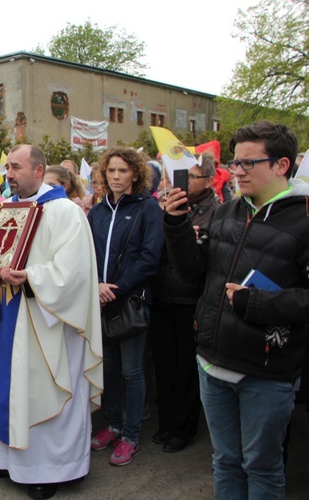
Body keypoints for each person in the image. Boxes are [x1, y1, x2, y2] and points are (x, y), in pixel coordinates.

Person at [164, 121, 309, 499]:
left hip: (266, 370)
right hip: (213, 361)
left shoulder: (305, 218)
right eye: (236, 162)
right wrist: (176, 226)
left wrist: (257, 302)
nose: (237, 171)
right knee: (225, 460)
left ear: (281, 165)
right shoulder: (227, 211)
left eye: (248, 163)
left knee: (261, 466)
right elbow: (196, 275)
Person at [0, 144, 103, 500]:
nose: (9, 174)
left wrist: (29, 277)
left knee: (43, 387)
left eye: (15, 167)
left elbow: (72, 274)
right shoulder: (8, 209)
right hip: (11, 314)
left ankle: (51, 468)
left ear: (39, 170)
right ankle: (6, 459)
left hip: (48, 320)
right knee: (9, 386)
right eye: (8, 168)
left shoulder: (65, 213)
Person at [87, 147, 163, 466]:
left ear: (135, 173)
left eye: (123, 171)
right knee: (109, 369)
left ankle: (131, 435)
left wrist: (114, 290)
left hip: (129, 302)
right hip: (99, 300)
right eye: (111, 171)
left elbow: (149, 259)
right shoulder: (97, 211)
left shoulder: (148, 208)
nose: (116, 176)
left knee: (132, 371)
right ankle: (114, 424)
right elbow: (85, 253)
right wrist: (96, 286)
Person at [149, 153, 219, 453]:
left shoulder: (216, 211)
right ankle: (166, 423)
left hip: (191, 299)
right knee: (164, 364)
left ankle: (183, 428)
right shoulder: (168, 205)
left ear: (209, 180)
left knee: (186, 369)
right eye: (182, 175)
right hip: (162, 294)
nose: (185, 182)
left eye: (192, 176)